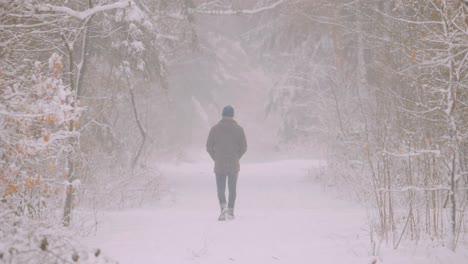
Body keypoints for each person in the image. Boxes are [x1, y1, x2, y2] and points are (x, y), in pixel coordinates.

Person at [206, 105, 247, 221]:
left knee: (220, 188)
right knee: (232, 189)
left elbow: (209, 147)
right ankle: (231, 211)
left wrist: (216, 157)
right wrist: (236, 157)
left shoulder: (215, 129)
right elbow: (244, 147)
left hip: (219, 164)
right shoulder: (239, 129)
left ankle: (223, 206)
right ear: (232, 116)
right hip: (233, 163)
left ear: (222, 115)